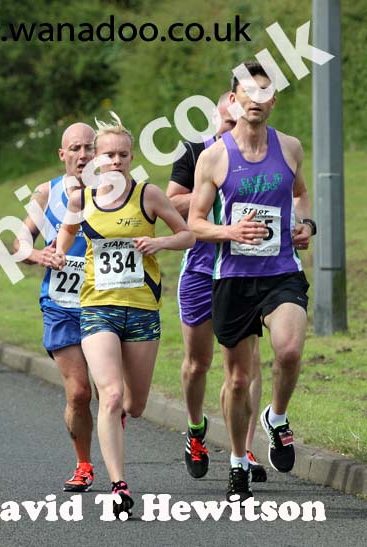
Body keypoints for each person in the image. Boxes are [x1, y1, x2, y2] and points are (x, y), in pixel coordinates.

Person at [52, 113, 193, 516]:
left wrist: (160, 243)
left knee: (135, 404)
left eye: (123, 154)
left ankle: (118, 419)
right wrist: (60, 253)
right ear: (96, 157)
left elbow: (188, 234)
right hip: (98, 307)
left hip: (143, 310)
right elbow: (67, 231)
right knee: (110, 396)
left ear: (131, 157)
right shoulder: (82, 198)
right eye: (108, 154)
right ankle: (119, 485)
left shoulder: (148, 195)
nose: (115, 161)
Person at [189, 61, 314, 501]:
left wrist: (306, 224)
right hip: (234, 278)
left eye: (264, 94)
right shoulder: (215, 156)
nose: (256, 101)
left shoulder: (291, 147)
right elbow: (196, 222)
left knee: (290, 350)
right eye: (248, 93)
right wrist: (230, 232)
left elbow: (299, 193)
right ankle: (239, 460)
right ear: (234, 100)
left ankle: (276, 417)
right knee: (239, 380)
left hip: (281, 271)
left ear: (272, 101)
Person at [166, 92, 267, 483]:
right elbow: (171, 203)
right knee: (198, 363)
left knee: (248, 366)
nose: (233, 131)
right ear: (213, 122)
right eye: (227, 124)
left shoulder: (256, 156)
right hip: (201, 270)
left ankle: (244, 446)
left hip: (243, 271)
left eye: (237, 124)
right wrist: (216, 185)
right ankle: (195, 429)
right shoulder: (196, 154)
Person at [15, 122, 98, 492]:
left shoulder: (116, 189)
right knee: (80, 393)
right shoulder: (46, 192)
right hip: (61, 303)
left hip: (107, 301)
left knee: (118, 397)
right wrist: (36, 253)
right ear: (62, 155)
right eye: (75, 148)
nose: (83, 155)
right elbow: (19, 241)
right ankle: (83, 464)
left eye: (89, 148)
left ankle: (113, 428)